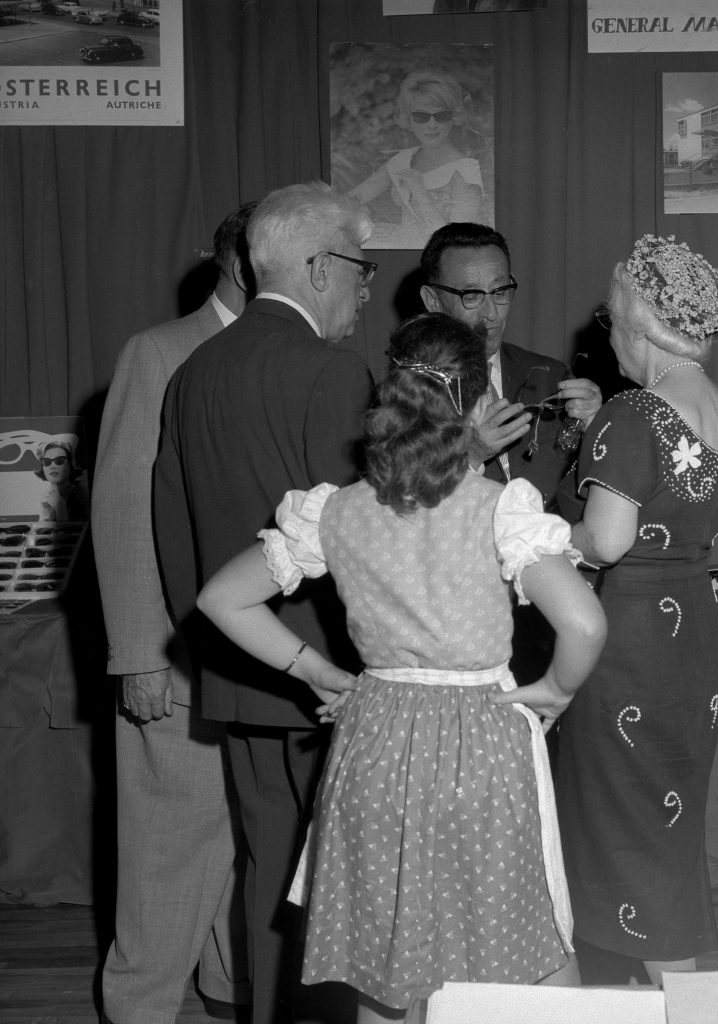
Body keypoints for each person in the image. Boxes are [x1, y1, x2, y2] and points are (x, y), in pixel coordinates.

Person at [195, 312, 607, 1024]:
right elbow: (584, 621)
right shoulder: (498, 507)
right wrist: (556, 691)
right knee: (522, 942)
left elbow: (221, 599)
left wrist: (318, 671)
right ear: (478, 406)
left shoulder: (335, 512)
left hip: (374, 746)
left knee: (385, 962)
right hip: (482, 744)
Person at [153, 182, 377, 1024]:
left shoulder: (195, 369)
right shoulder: (330, 368)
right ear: (319, 268)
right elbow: (357, 541)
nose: (366, 287)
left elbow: (173, 530)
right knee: (337, 890)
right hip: (332, 682)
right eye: (362, 268)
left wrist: (220, 650)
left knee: (267, 877)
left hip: (243, 668)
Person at [554, 235, 718, 984]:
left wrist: (526, 532)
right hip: (693, 634)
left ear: (638, 326)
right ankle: (671, 985)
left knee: (612, 820)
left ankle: (644, 985)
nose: (607, 335)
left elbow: (603, 543)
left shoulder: (632, 414)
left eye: (609, 320)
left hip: (628, 636)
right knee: (663, 823)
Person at [92, 202, 256, 1024]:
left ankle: (229, 990)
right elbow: (120, 506)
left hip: (259, 659)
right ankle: (140, 1009)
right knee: (164, 852)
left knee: (245, 843)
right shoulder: (157, 353)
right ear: (245, 260)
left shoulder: (293, 350)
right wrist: (136, 653)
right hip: (175, 655)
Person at [419, 222, 603, 508]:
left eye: (500, 291)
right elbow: (399, 508)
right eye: (471, 296)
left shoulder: (551, 378)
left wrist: (596, 426)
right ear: (432, 301)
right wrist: (471, 456)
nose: (491, 313)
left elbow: (585, 489)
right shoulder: (407, 390)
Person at [349, 70, 484, 250]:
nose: (431, 125)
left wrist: (419, 192)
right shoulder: (404, 159)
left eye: (441, 116)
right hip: (403, 250)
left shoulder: (465, 171)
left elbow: (455, 243)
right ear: (408, 119)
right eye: (421, 116)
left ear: (454, 118)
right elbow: (354, 198)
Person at [35, 437, 89, 521]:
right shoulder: (46, 496)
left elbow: (72, 531)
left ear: (71, 465)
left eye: (59, 460)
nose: (52, 466)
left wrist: (59, 505)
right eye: (47, 462)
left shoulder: (82, 495)